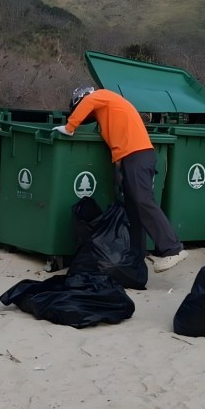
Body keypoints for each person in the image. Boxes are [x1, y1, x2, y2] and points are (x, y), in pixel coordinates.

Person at [53, 87, 187, 273]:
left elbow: (88, 102)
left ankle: (172, 249)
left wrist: (70, 127)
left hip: (137, 155)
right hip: (132, 157)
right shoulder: (108, 108)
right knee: (134, 209)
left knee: (143, 201)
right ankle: (136, 258)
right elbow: (118, 139)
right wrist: (118, 168)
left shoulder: (98, 96)